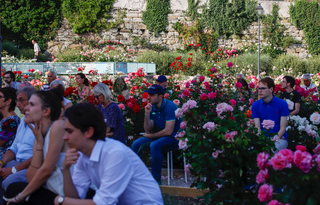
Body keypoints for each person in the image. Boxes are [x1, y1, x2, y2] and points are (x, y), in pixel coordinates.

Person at [54, 103, 163, 205]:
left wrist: (61, 200)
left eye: (69, 131)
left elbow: (103, 203)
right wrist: (66, 169)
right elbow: (76, 197)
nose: (65, 137)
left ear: (88, 132)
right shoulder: (83, 154)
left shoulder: (115, 154)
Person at [5, 91, 67, 204]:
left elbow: (46, 171)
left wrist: (20, 196)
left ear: (46, 111)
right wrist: (39, 143)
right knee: (13, 188)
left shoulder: (58, 126)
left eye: (32, 104)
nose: (26, 108)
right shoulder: (39, 134)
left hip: (67, 193)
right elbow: (31, 177)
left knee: (14, 191)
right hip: (52, 189)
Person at [131, 84, 182, 183]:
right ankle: (135, 176)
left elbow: (168, 131)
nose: (148, 97)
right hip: (159, 135)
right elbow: (148, 130)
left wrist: (151, 136)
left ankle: (155, 180)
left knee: (155, 145)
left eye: (152, 95)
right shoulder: (153, 107)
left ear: (160, 96)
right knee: (136, 144)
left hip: (174, 137)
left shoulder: (170, 107)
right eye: (148, 94)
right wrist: (147, 114)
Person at [0, 87, 36, 203]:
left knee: (8, 182)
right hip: (15, 161)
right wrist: (2, 163)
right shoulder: (24, 120)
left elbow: (40, 156)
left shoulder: (13, 120)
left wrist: (13, 170)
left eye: (21, 100)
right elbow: (14, 147)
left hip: (30, 166)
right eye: (17, 100)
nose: (18, 104)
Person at [251, 77, 289, 151]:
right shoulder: (255, 105)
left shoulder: (282, 104)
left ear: (271, 89)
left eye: (263, 88)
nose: (260, 91)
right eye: (259, 88)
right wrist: (262, 140)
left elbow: (283, 128)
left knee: (273, 149)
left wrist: (273, 139)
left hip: (279, 138)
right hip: (263, 137)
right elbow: (257, 128)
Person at [0, 87, 21, 159]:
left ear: (8, 101)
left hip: (4, 159)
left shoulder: (11, 121)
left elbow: (1, 141)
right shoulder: (5, 119)